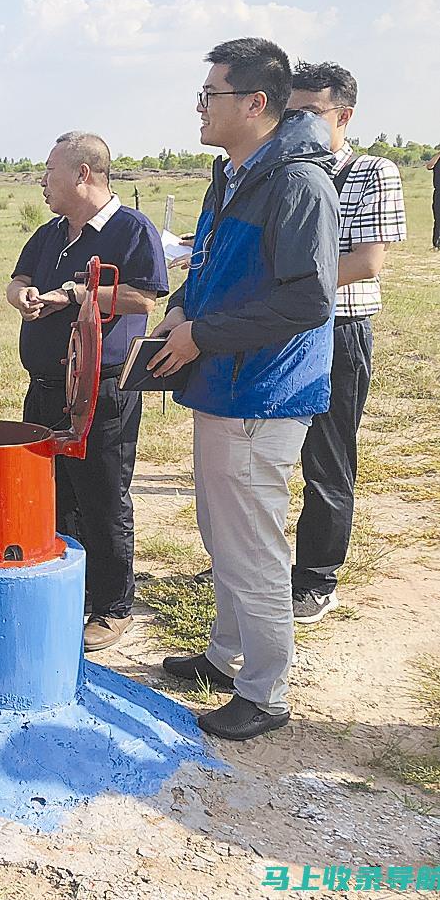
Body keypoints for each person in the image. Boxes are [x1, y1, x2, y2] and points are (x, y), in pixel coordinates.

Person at [152, 38, 339, 742]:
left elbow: (306, 301)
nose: (199, 107)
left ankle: (263, 691)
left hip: (262, 389)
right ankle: (226, 655)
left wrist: (204, 334)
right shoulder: (231, 173)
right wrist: (180, 309)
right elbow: (209, 265)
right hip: (224, 382)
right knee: (219, 529)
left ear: (253, 104)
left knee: (251, 542)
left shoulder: (295, 183)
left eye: (211, 96)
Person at [5, 132, 169, 652]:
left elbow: (143, 298)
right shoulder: (52, 233)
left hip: (102, 390)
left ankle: (112, 604)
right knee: (55, 493)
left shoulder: (131, 230)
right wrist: (25, 296)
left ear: (82, 174)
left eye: (50, 172)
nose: (43, 183)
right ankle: (67, 590)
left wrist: (78, 293)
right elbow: (17, 279)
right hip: (47, 387)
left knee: (102, 494)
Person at [286, 63, 407, 623]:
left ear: (345, 116)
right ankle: (261, 563)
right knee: (265, 453)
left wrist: (278, 280)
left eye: (311, 113)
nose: (299, 123)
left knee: (327, 458)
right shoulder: (282, 168)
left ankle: (316, 575)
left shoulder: (369, 172)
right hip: (280, 328)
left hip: (337, 328)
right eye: (291, 112)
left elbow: (366, 261)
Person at [428, 147, 440, 249]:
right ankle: (436, 243)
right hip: (438, 193)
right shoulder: (436, 160)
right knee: (438, 219)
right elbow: (429, 166)